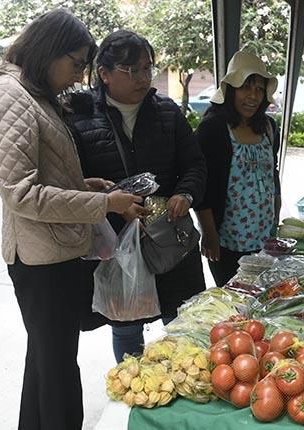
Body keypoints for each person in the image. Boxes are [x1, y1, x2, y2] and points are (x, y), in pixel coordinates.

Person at [0, 10, 142, 429]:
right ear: (49, 51)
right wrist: (104, 205)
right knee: (57, 375)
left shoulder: (30, 95)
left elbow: (39, 176)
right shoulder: (10, 97)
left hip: (54, 252)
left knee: (46, 366)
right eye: (75, 63)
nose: (78, 75)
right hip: (41, 261)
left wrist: (81, 183)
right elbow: (20, 193)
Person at [65, 30, 208, 362]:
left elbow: (195, 164)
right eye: (134, 70)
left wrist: (186, 194)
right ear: (104, 73)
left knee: (183, 322)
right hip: (118, 244)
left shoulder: (168, 113)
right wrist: (111, 205)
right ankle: (132, 392)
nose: (145, 78)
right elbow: (75, 185)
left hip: (170, 236)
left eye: (148, 68)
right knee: (126, 326)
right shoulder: (80, 119)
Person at [195, 51, 281, 288]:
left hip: (264, 238)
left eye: (260, 89)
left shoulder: (269, 127)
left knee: (263, 300)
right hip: (227, 242)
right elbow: (203, 187)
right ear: (231, 89)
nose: (253, 96)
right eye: (246, 87)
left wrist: (276, 214)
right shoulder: (213, 129)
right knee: (233, 305)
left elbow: (271, 173)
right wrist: (209, 234)